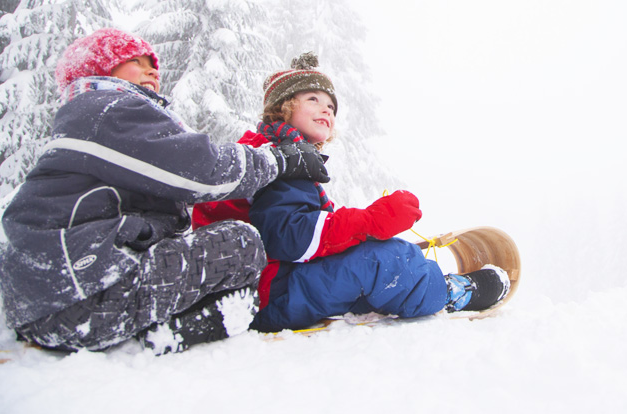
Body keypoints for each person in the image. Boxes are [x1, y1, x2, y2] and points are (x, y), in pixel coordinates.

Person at [0, 29, 331, 354]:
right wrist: (277, 159)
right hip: (77, 297)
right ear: (100, 68)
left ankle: (175, 325)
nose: (152, 70)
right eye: (136, 62)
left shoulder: (90, 117)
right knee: (240, 243)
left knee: (208, 249)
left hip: (48, 298)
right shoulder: (109, 110)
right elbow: (201, 169)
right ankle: (177, 332)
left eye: (153, 64)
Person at [192, 52, 511, 333]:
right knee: (380, 260)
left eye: (331, 105)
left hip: (270, 284)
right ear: (284, 107)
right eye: (313, 100)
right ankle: (450, 293)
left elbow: (307, 231)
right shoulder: (278, 158)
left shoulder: (278, 153)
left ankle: (403, 290)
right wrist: (372, 221)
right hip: (268, 293)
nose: (326, 110)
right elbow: (289, 237)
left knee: (371, 254)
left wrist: (368, 230)